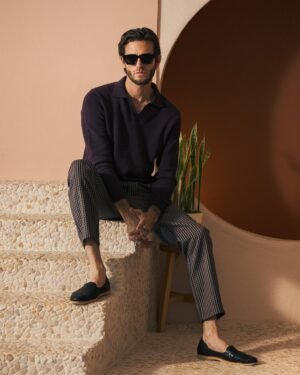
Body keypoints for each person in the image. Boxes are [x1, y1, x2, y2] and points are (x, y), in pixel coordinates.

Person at [67, 27, 257, 365]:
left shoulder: (169, 113)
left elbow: (166, 174)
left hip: (145, 194)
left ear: (156, 60)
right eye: (131, 58)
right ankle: (97, 273)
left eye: (145, 57)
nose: (138, 64)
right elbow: (102, 163)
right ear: (122, 62)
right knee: (79, 168)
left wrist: (152, 214)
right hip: (106, 193)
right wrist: (126, 214)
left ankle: (210, 336)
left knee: (197, 235)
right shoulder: (97, 100)